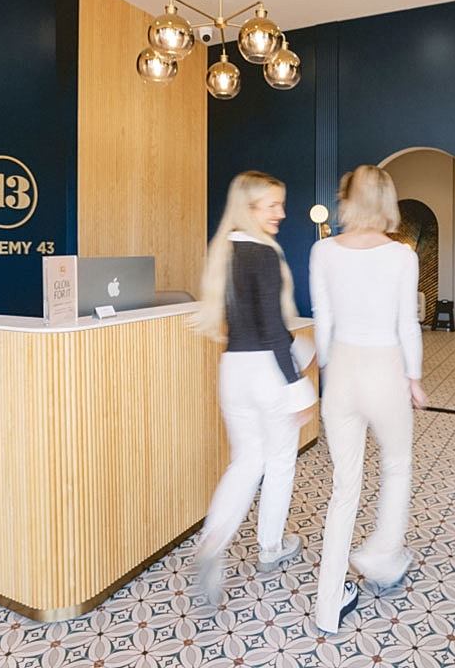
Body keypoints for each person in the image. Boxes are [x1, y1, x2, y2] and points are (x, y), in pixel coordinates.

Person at [309, 164, 427, 634]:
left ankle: (327, 604)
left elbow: (324, 322)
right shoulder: (401, 256)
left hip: (340, 372)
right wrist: (414, 376)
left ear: (347, 199)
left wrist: (325, 369)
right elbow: (406, 324)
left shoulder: (322, 250)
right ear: (387, 202)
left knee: (344, 487)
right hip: (385, 371)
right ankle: (382, 553)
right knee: (397, 464)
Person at [192, 170, 316, 604]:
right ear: (249, 208)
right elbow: (271, 330)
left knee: (245, 461)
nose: (281, 213)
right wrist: (299, 388)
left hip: (233, 370)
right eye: (272, 206)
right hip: (267, 372)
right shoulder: (263, 255)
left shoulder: (224, 252)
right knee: (280, 460)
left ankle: (212, 541)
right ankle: (270, 547)